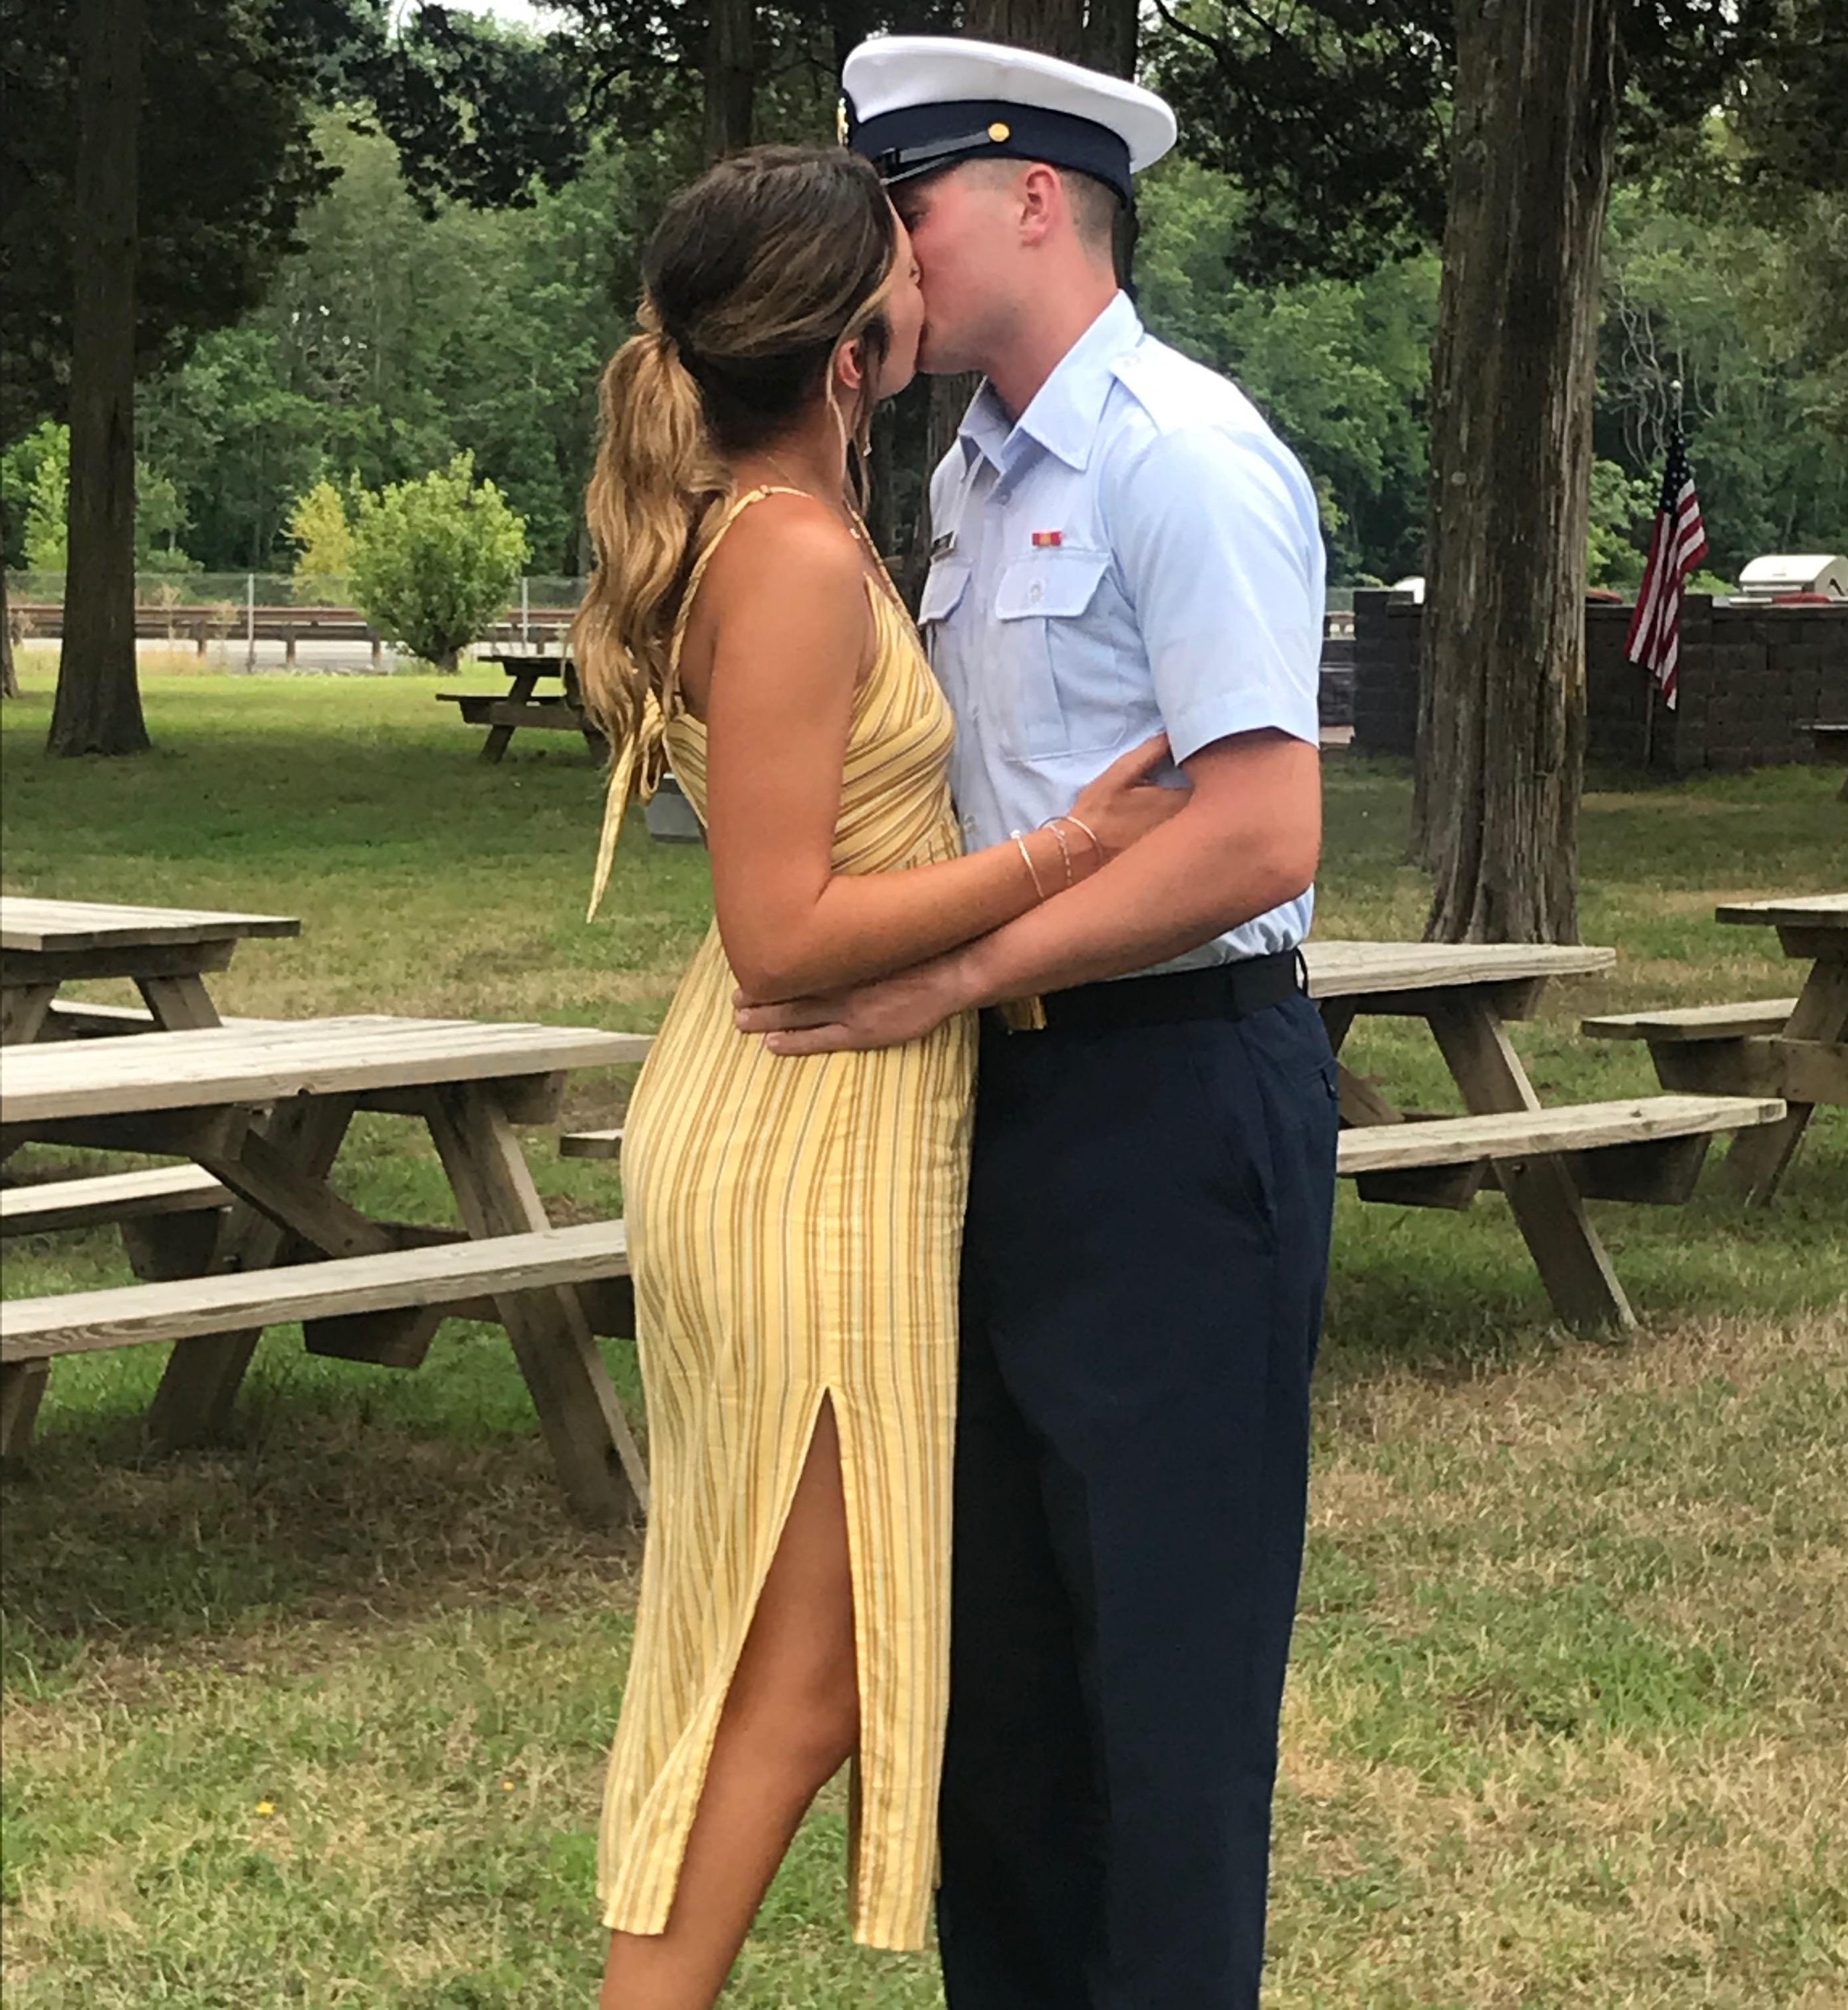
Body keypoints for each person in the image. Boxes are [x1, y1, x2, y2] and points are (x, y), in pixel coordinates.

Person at [736, 38, 1341, 2009]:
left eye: (902, 211)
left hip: (1172, 1109)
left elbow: (1261, 829)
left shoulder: (1181, 457)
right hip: (998, 1117)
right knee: (994, 1695)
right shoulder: (974, 477)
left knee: (1162, 1699)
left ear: (1027, 200)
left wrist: (968, 973)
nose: (881, 263)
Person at [574, 144, 1184, 2010]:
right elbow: (780, 926)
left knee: (771, 1655)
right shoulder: (798, 563)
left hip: (827, 1124)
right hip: (795, 1132)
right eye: (895, 266)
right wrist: (1062, 858)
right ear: (856, 353)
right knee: (791, 1675)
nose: (928, 270)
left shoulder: (794, 540)